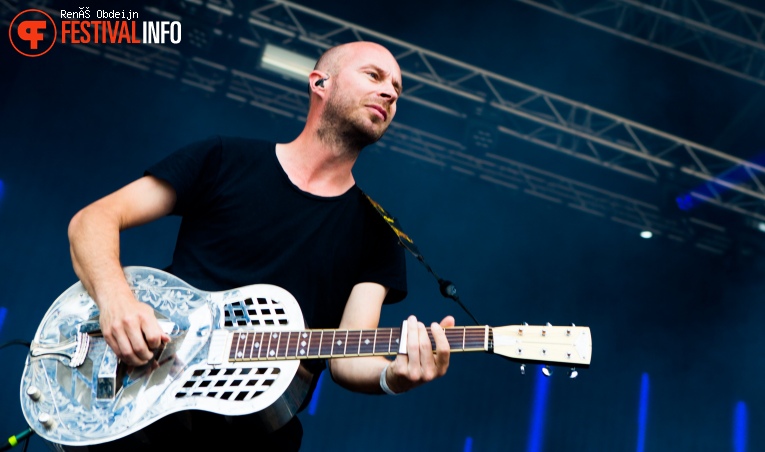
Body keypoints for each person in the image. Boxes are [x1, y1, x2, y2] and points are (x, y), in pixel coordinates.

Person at [67, 41, 454, 450]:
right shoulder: (223, 159)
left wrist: (392, 377)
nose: (391, 93)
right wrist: (117, 303)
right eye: (374, 76)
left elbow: (348, 356)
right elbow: (92, 221)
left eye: (397, 88)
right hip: (142, 407)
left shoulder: (377, 232)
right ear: (320, 82)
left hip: (254, 437)